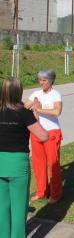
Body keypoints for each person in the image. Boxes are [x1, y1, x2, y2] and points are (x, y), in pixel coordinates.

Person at [0, 77, 48, 238]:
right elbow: (43, 136)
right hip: (18, 165)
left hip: (1, 162)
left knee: (2, 208)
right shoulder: (24, 113)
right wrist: (36, 115)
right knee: (19, 209)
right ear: (19, 91)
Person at [25, 69, 64, 204]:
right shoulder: (36, 94)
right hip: (37, 132)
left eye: (44, 80)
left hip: (52, 132)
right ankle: (41, 192)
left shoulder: (56, 94)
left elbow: (57, 111)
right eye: (40, 80)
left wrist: (38, 109)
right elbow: (24, 108)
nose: (41, 83)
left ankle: (56, 194)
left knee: (52, 164)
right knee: (38, 163)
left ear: (51, 81)